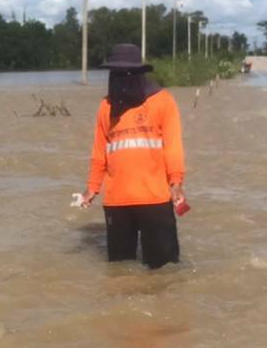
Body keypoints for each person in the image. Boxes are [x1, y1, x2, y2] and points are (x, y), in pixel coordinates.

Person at [79, 43, 186, 269]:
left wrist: (176, 182)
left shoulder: (162, 101)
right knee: (120, 273)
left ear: (140, 74)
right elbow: (99, 152)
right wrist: (91, 188)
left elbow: (173, 146)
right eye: (117, 74)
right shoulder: (106, 107)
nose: (123, 78)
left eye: (129, 73)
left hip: (155, 199)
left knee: (164, 272)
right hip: (117, 203)